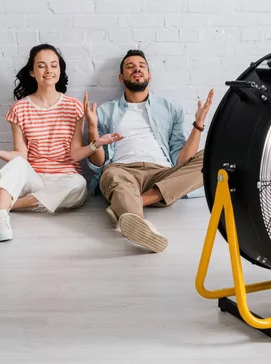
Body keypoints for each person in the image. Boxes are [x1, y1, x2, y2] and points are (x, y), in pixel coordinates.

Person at [0, 44, 121, 242]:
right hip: (33, 179)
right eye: (41, 66)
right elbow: (21, 155)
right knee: (17, 164)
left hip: (64, 181)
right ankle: (1, 217)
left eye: (53, 65)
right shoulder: (19, 109)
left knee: (78, 184)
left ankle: (4, 204)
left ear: (60, 70)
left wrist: (96, 143)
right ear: (32, 72)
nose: (48, 71)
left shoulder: (74, 106)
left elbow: (74, 154)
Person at [87, 49, 214, 253]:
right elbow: (99, 163)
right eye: (130, 66)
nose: (136, 68)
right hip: (122, 170)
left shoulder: (171, 109)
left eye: (141, 66)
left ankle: (133, 203)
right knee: (111, 175)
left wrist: (198, 125)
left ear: (149, 75)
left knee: (211, 158)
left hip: (162, 173)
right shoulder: (104, 111)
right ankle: (141, 225)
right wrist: (92, 128)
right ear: (121, 77)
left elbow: (182, 160)